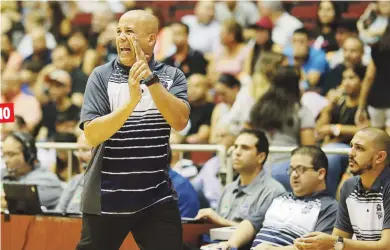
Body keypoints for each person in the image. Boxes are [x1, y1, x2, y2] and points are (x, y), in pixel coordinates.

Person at [77, 10, 190, 250]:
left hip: (155, 197)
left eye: (129, 32)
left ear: (151, 39)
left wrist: (151, 81)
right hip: (106, 196)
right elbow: (92, 135)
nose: (121, 38)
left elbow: (180, 122)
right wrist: (131, 102)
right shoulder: (101, 76)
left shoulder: (172, 76)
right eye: (119, 31)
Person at [214, 146, 337, 250]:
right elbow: (250, 224)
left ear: (320, 173)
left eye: (301, 169)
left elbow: (317, 247)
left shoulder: (330, 207)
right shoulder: (280, 198)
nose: (294, 175)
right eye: (292, 169)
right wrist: (231, 244)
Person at [294, 127, 390, 250]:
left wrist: (335, 242)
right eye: (352, 146)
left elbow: (387, 246)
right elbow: (338, 241)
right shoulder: (348, 186)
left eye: (359, 148)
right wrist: (309, 244)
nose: (351, 153)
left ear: (380, 157)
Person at [195, 129, 285, 247]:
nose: (236, 152)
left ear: (261, 157)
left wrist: (220, 221)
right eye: (235, 146)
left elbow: (260, 234)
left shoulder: (273, 191)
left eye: (245, 148)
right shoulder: (229, 189)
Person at [1, 132, 63, 210]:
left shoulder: (48, 181)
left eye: (11, 154)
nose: (6, 160)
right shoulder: (3, 174)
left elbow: (21, 203)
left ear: (29, 156)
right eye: (4, 155)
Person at [55, 133, 91, 214]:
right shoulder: (75, 181)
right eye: (78, 150)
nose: (79, 155)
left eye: (85, 150)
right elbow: (58, 214)